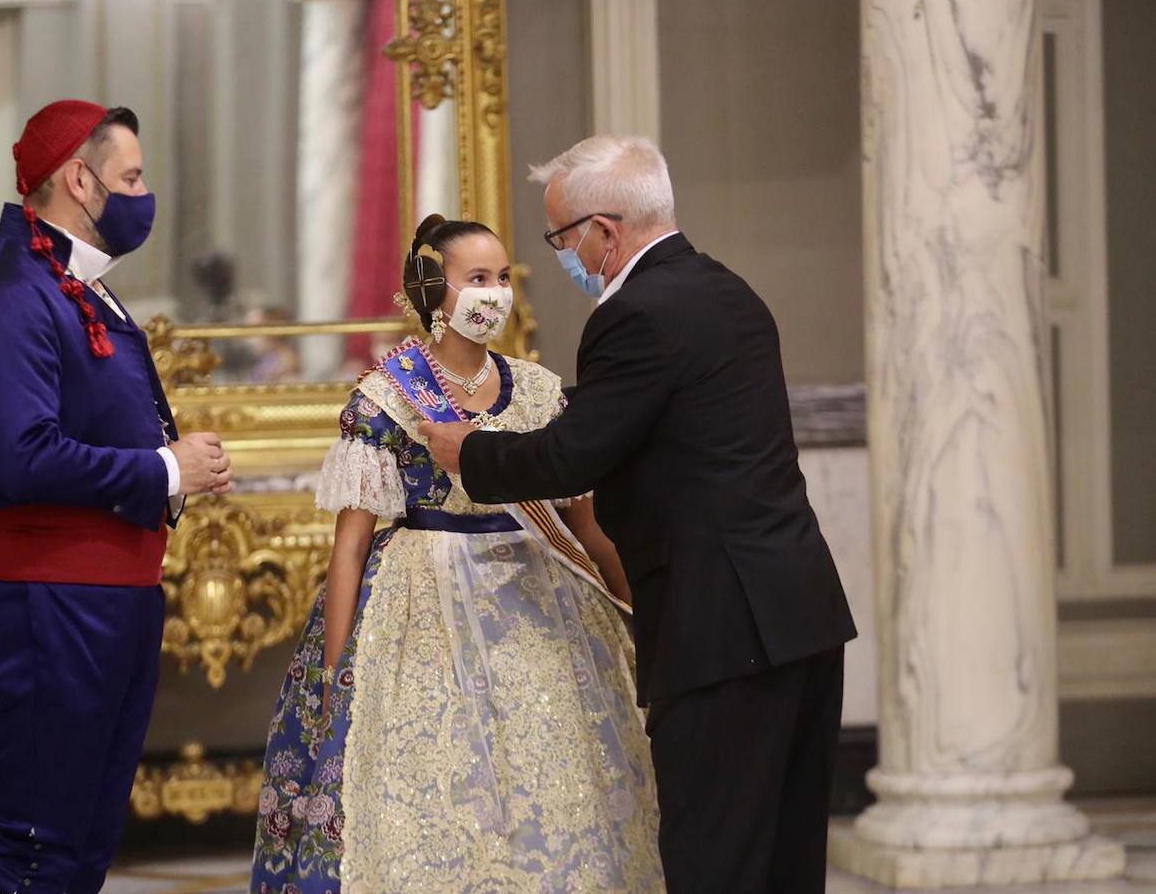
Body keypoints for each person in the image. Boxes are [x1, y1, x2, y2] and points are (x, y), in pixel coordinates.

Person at [419, 136, 858, 893]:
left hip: (724, 632)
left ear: (606, 230)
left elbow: (572, 456)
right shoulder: (731, 291)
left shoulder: (638, 313)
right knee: (786, 863)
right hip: (802, 613)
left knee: (713, 861)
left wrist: (471, 454)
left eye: (562, 237)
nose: (564, 254)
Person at [250, 214, 663, 893]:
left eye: (503, 277)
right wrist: (331, 676)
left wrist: (640, 613)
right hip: (420, 609)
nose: (494, 293)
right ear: (434, 289)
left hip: (540, 604)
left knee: (554, 779)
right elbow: (350, 548)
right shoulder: (388, 395)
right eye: (478, 279)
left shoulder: (537, 389)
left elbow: (586, 526)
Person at [0, 99, 233, 894]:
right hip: (52, 604)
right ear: (79, 177)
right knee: (39, 847)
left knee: (82, 847)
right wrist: (167, 470)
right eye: (130, 176)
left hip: (108, 602)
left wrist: (177, 466)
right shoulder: (11, 295)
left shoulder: (76, 285)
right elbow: (26, 456)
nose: (142, 193)